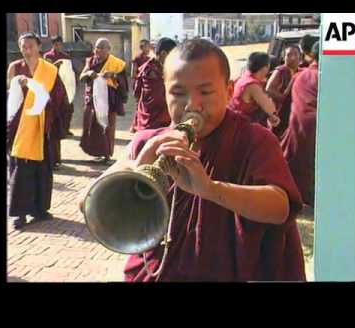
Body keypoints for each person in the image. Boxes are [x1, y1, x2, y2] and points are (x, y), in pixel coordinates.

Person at [84, 39, 306, 281]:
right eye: (178, 93)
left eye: (206, 92)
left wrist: (211, 189)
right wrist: (135, 168)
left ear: (229, 91)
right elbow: (87, 203)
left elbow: (280, 208)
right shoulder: (148, 141)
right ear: (164, 92)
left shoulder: (253, 140)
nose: (192, 105)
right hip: (157, 272)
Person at [7, 32, 68, 229]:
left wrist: (46, 103)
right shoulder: (15, 68)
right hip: (21, 127)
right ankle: (20, 213)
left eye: (30, 46)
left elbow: (59, 96)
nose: (27, 50)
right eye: (23, 47)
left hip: (43, 125)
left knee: (43, 169)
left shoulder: (49, 70)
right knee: (20, 170)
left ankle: (40, 209)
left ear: (39, 47)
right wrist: (18, 85)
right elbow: (10, 97)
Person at [281, 41, 320, 209]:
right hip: (319, 126)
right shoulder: (329, 77)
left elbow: (285, 101)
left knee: (295, 163)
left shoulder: (299, 75)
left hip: (298, 124)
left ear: (309, 56)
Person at [79, 38, 129, 163]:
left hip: (109, 100)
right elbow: (81, 77)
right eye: (96, 47)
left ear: (108, 50)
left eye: (101, 47)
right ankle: (96, 151)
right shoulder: (90, 61)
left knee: (107, 126)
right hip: (92, 98)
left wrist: (113, 75)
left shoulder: (116, 64)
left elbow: (123, 83)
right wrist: (89, 73)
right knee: (90, 124)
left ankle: (106, 154)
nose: (98, 50)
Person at [132, 37, 177, 132]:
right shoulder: (150, 71)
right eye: (172, 56)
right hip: (152, 120)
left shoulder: (163, 68)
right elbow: (157, 98)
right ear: (163, 54)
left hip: (164, 119)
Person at [43, 35, 74, 169]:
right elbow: (46, 70)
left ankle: (57, 158)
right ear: (53, 44)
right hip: (50, 93)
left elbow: (70, 74)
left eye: (60, 44)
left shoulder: (66, 56)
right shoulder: (47, 56)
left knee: (64, 116)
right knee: (51, 129)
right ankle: (51, 159)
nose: (58, 46)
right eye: (56, 44)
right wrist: (55, 65)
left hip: (62, 91)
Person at [228, 52, 280, 128]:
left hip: (234, 120)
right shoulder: (252, 86)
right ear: (265, 68)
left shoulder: (244, 77)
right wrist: (274, 117)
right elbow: (270, 109)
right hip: (242, 126)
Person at [265, 45, 302, 138]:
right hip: (280, 113)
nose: (292, 58)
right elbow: (269, 89)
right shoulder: (281, 71)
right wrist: (283, 99)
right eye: (289, 55)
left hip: (292, 114)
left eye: (295, 55)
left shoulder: (300, 72)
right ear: (284, 57)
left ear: (300, 57)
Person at [130, 39, 152, 133]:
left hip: (148, 85)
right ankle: (135, 126)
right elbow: (133, 73)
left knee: (145, 105)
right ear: (142, 47)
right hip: (140, 84)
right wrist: (135, 82)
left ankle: (140, 125)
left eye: (148, 46)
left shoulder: (150, 58)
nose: (148, 48)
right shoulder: (137, 58)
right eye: (146, 46)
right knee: (139, 104)